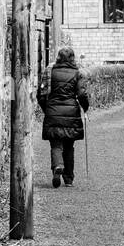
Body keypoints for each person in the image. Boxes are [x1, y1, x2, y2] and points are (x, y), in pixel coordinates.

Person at [39, 46, 88, 187]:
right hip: (71, 113)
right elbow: (82, 94)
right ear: (72, 58)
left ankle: (57, 166)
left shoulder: (50, 71)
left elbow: (41, 95)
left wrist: (47, 109)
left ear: (58, 57)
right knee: (69, 146)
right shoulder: (77, 73)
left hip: (53, 110)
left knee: (55, 144)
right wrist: (85, 108)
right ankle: (68, 179)